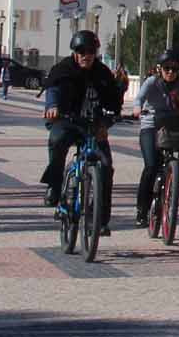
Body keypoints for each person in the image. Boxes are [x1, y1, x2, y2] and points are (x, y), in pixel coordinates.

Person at [40, 30, 124, 233]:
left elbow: (114, 103)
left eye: (91, 51)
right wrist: (52, 107)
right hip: (68, 120)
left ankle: (100, 221)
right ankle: (54, 184)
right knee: (57, 140)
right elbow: (53, 89)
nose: (86, 55)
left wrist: (107, 123)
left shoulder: (102, 73)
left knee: (105, 166)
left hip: (94, 126)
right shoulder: (63, 69)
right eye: (81, 51)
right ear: (74, 53)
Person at [134, 49, 179, 228]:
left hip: (171, 124)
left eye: (174, 68)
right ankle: (142, 210)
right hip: (151, 124)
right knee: (151, 166)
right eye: (167, 68)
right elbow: (139, 98)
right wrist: (137, 109)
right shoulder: (152, 82)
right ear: (160, 69)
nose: (171, 72)